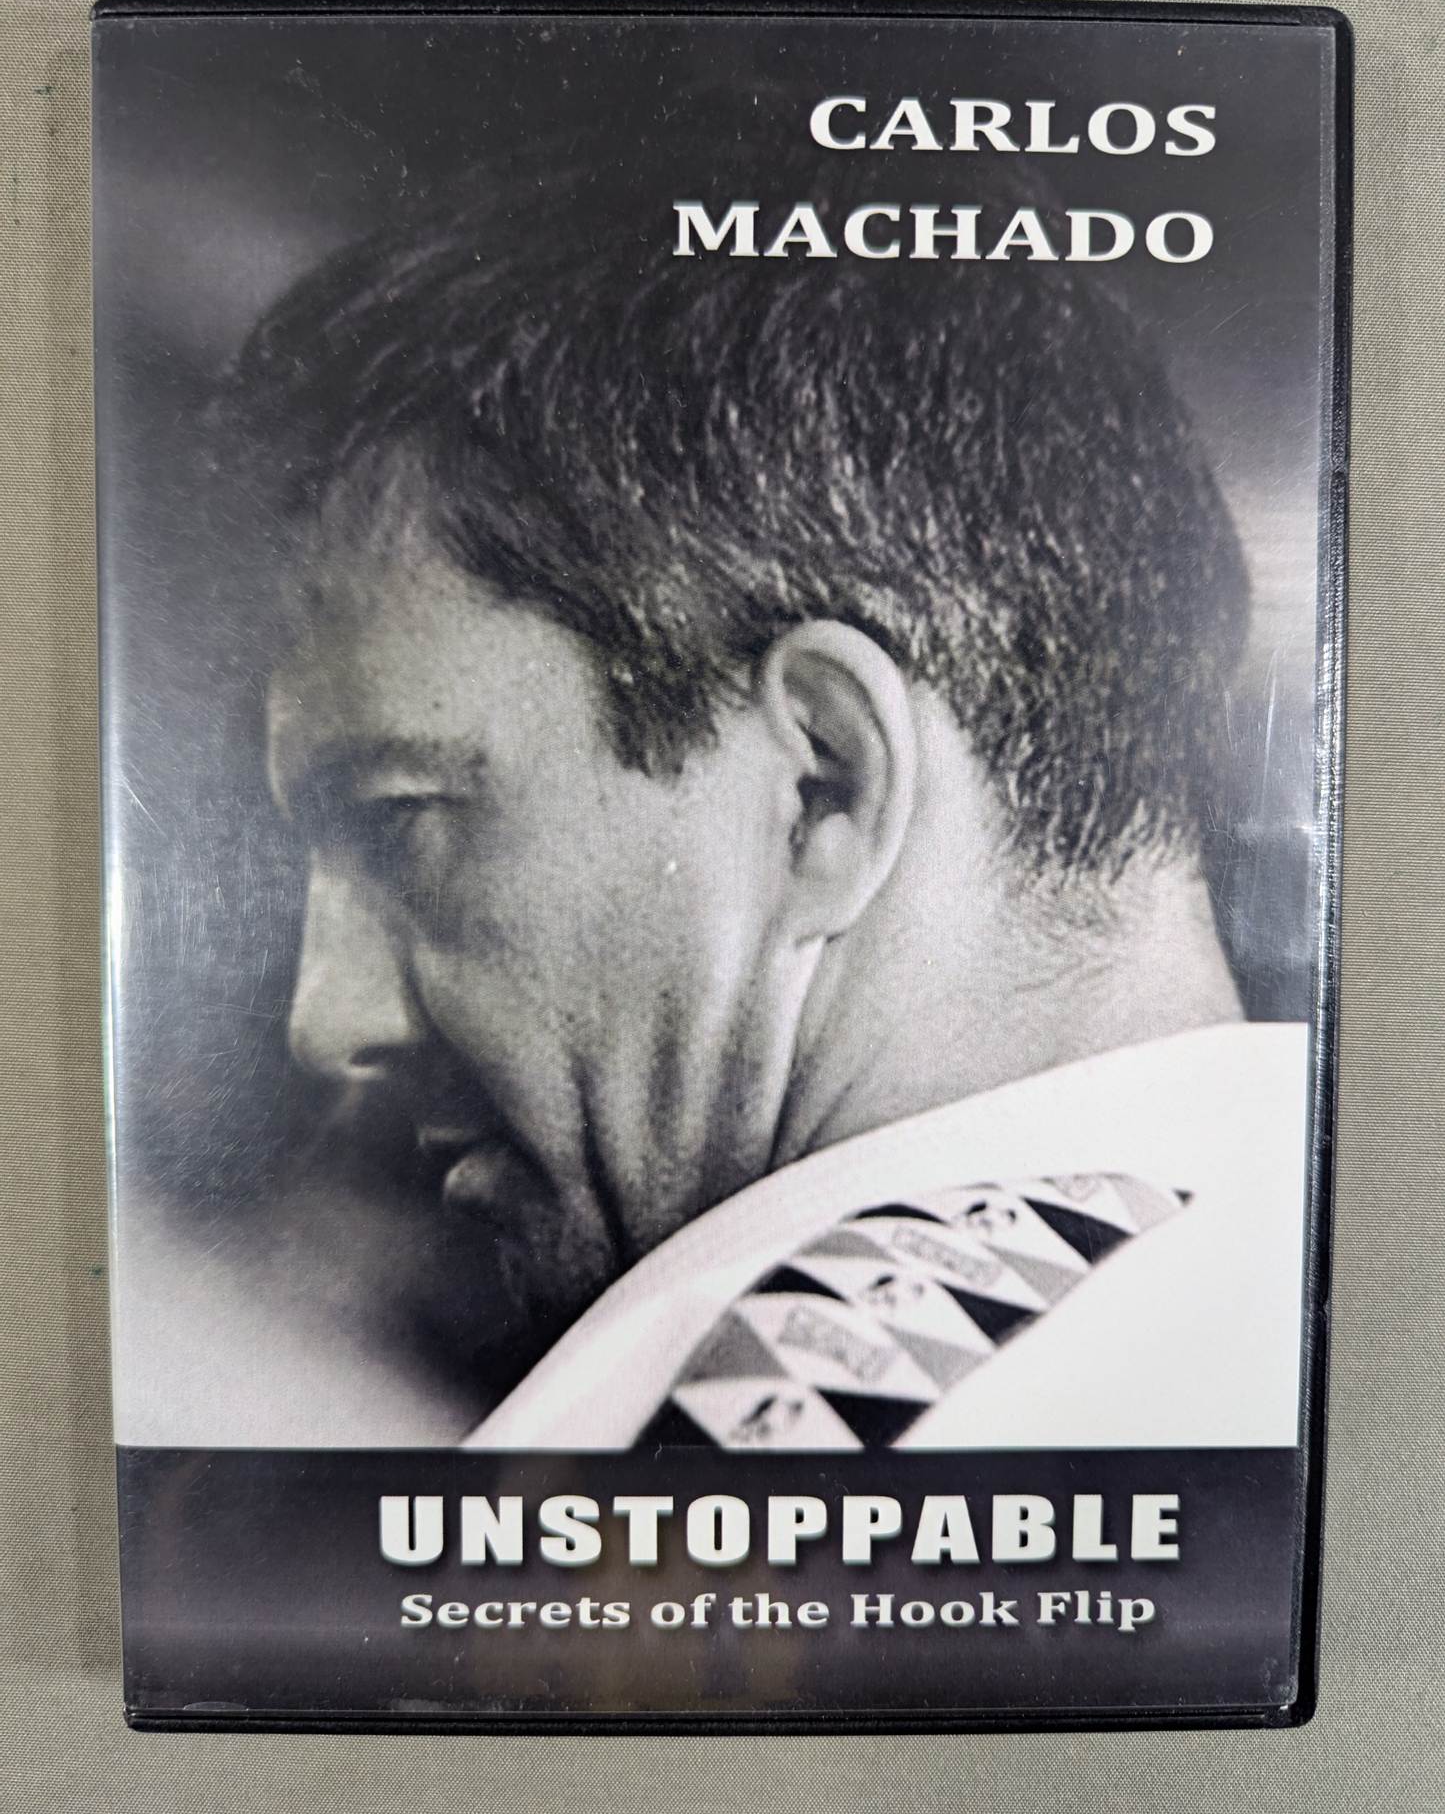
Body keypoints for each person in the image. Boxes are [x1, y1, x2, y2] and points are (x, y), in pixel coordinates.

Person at [228, 176, 1308, 1451]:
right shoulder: (1329, 1268)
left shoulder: (740, 1428)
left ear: (822, 786)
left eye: (402, 821)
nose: (329, 1021)